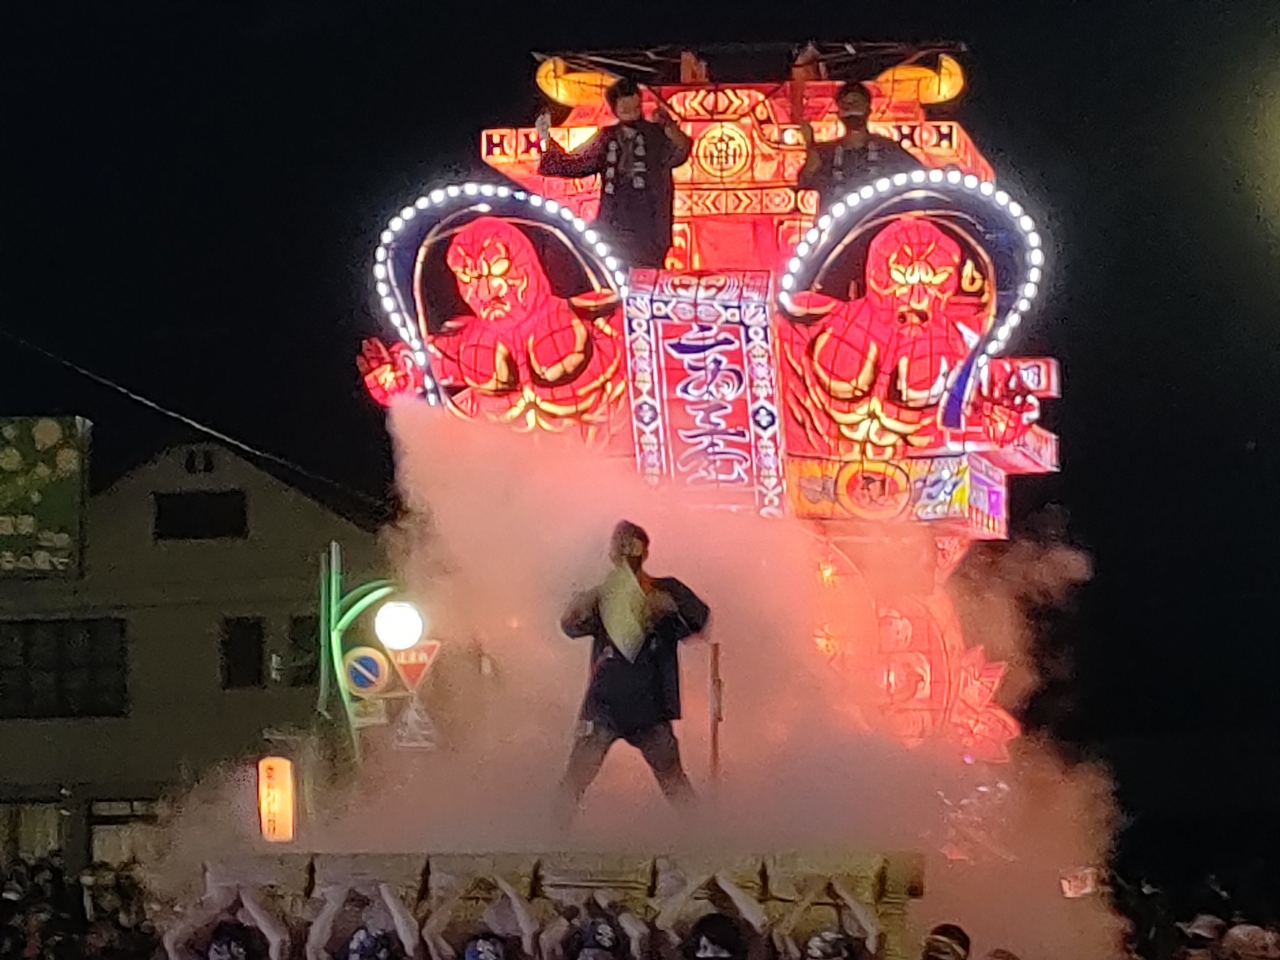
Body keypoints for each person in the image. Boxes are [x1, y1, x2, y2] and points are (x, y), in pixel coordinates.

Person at [555, 521, 709, 827]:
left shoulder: (666, 590)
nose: (626, 553)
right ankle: (547, 840)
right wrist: (578, 607)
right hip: (604, 705)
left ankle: (705, 840)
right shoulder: (603, 597)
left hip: (650, 707)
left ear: (644, 551)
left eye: (632, 545)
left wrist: (669, 608)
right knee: (575, 779)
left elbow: (699, 618)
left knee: (674, 782)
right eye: (621, 545)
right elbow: (571, 626)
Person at [536, 78, 692, 269]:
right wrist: (545, 139)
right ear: (615, 109)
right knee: (612, 269)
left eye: (634, 107)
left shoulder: (655, 134)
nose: (630, 111)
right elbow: (577, 163)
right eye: (624, 108)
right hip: (614, 223)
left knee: (645, 273)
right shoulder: (607, 137)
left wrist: (669, 125)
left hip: (648, 224)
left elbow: (681, 150)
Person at [797, 82, 917, 216]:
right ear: (838, 113)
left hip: (876, 222)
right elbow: (805, 182)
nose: (851, 108)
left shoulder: (888, 149)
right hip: (837, 225)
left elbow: (918, 176)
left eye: (856, 103)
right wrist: (810, 148)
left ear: (868, 110)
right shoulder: (825, 153)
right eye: (846, 104)